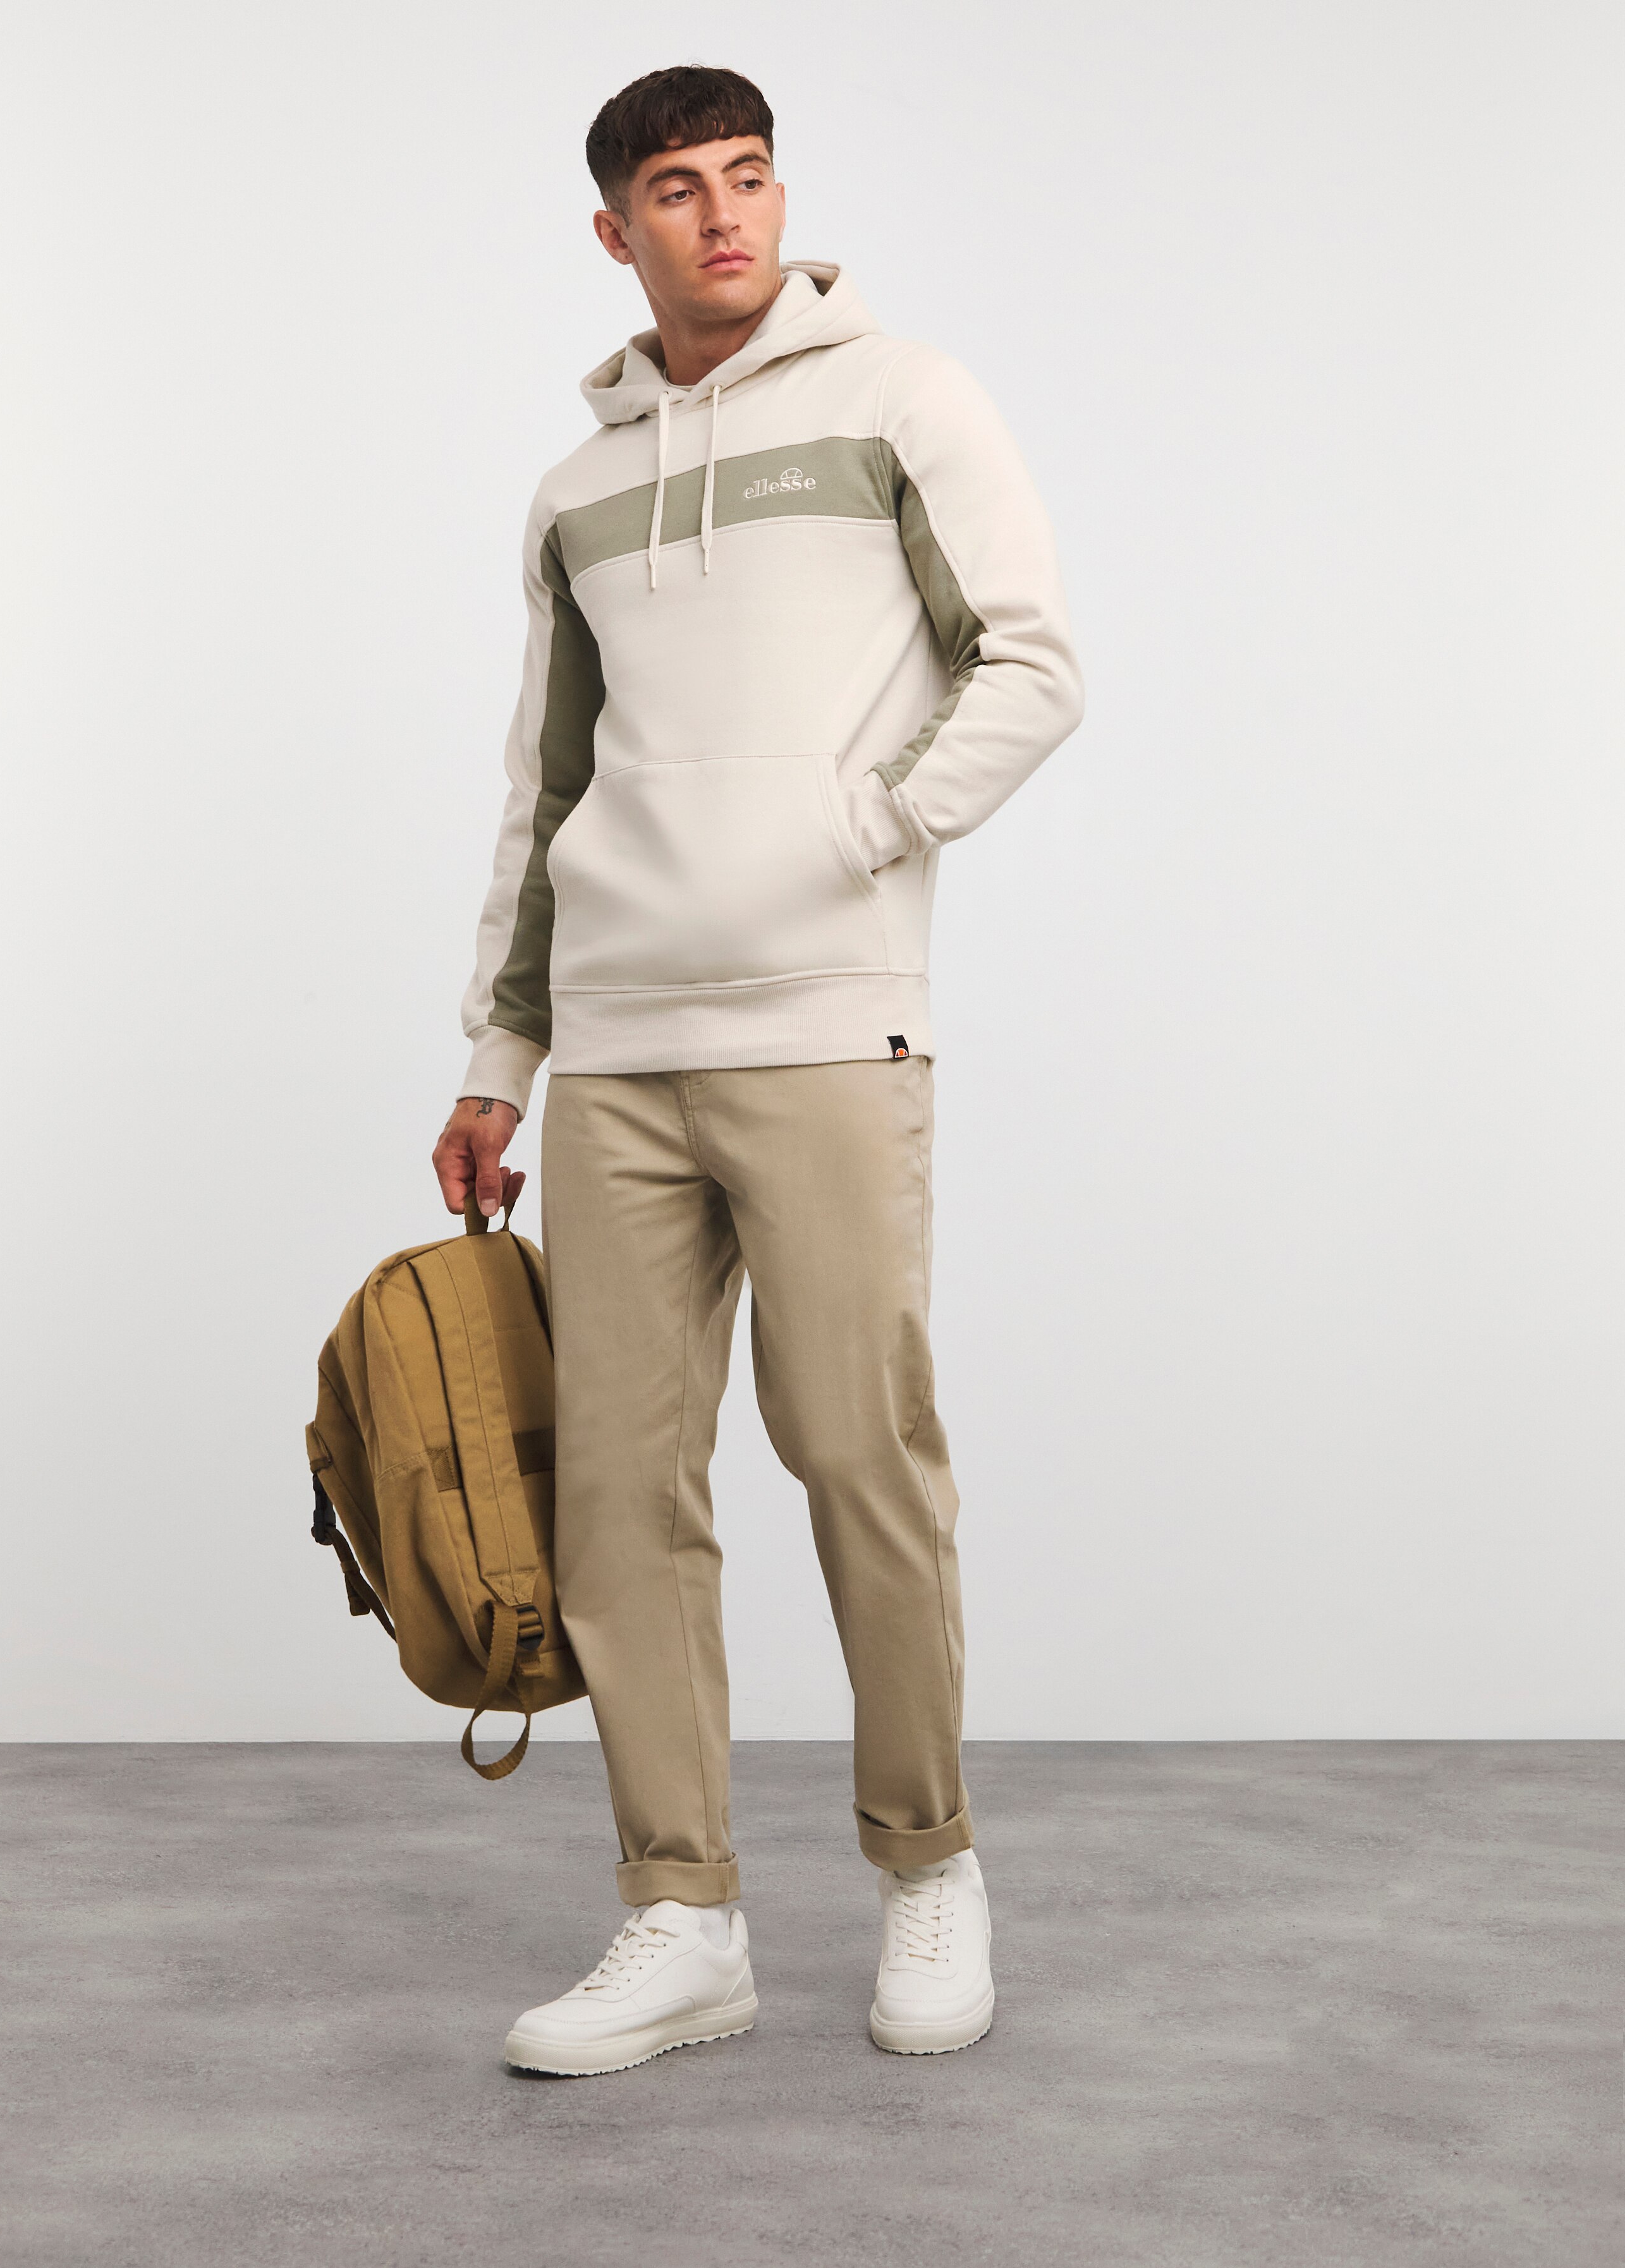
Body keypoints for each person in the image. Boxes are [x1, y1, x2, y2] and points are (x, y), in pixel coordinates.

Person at [432, 63, 1082, 2075]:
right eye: (677, 190)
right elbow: (548, 789)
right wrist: (500, 1055)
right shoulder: (575, 491)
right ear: (613, 229)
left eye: (750, 177)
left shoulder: (905, 401)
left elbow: (1034, 663)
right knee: (621, 1495)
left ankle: (928, 1867)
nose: (725, 217)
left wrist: (864, 829)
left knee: (860, 1456)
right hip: (619, 1054)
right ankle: (680, 1914)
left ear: (780, 194)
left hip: (826, 1026)